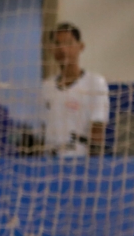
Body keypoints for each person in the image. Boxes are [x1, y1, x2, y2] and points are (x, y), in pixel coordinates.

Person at [42, 23, 109, 157]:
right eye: (57, 44)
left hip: (79, 160)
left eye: (68, 43)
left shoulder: (95, 83)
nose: (63, 49)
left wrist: (93, 164)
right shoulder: (47, 86)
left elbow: (97, 129)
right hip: (49, 161)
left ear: (81, 46)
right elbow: (44, 127)